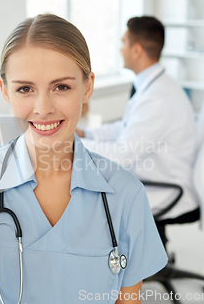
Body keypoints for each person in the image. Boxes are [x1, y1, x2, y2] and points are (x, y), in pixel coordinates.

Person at [0, 14, 168, 304]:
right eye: (25, 89)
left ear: (87, 87)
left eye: (61, 87)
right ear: (5, 91)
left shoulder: (125, 193)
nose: (43, 108)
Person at [76, 16, 197, 226]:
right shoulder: (156, 86)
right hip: (153, 174)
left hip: (161, 187)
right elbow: (125, 127)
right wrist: (87, 134)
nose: (120, 49)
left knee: (83, 196)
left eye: (124, 43)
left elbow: (120, 156)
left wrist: (69, 143)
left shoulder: (157, 98)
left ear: (137, 50)